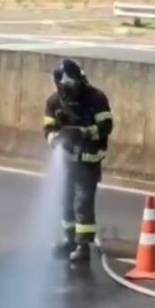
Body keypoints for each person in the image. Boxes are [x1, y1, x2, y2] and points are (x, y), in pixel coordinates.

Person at [43, 58, 113, 263]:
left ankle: (83, 246)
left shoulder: (96, 98)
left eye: (77, 84)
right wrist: (57, 141)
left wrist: (84, 133)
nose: (75, 89)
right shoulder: (54, 102)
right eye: (70, 86)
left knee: (82, 203)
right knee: (65, 200)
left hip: (89, 160)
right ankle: (70, 240)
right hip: (66, 160)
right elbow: (48, 129)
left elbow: (106, 126)